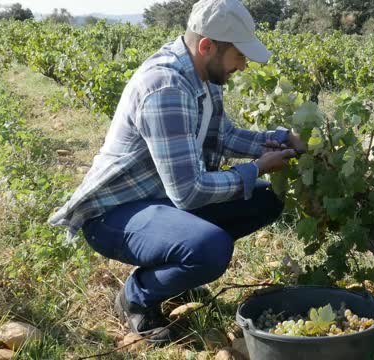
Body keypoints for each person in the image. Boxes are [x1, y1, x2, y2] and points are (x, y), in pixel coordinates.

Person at [48, 0, 305, 343]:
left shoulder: (203, 74)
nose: (243, 66)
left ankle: (179, 268)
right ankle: (136, 296)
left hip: (158, 199)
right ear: (207, 46)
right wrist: (256, 167)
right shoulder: (166, 87)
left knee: (266, 198)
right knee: (209, 248)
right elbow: (189, 192)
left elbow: (223, 136)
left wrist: (283, 139)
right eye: (239, 56)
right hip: (114, 215)